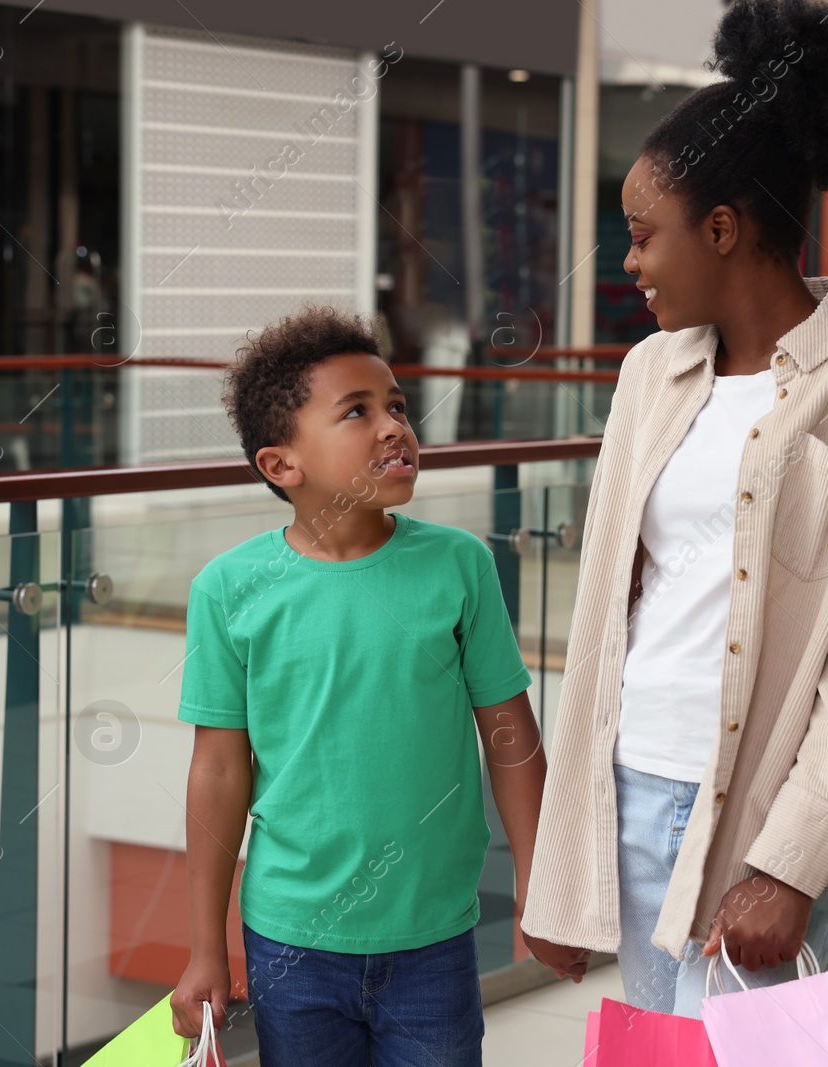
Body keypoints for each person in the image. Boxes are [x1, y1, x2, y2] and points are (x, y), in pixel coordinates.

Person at [519, 0, 828, 1020]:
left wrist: (793, 859)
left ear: (722, 229)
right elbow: (603, 614)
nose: (627, 264)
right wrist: (561, 863)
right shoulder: (647, 373)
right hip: (631, 788)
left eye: (642, 237)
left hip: (767, 813)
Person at [169, 306, 555, 1065]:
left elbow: (509, 736)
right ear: (283, 464)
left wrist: (542, 890)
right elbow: (218, 770)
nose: (393, 427)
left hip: (435, 938)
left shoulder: (460, 565)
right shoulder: (227, 589)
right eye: (357, 411)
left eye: (398, 407)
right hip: (289, 942)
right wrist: (203, 946)